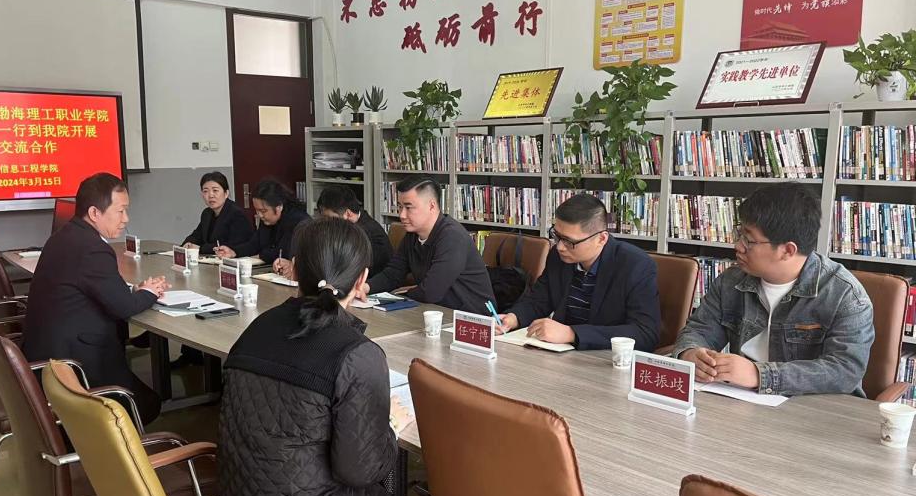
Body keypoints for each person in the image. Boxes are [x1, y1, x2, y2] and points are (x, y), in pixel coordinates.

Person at [220, 217, 432, 496]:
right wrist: (388, 428)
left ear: (295, 268)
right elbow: (361, 471)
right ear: (362, 280)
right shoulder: (356, 355)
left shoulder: (257, 328)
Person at [672, 182, 874, 397]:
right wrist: (690, 353)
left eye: (749, 240)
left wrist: (760, 376)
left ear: (787, 250)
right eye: (740, 234)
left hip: (814, 408)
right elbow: (700, 330)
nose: (738, 246)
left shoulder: (845, 296)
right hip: (742, 399)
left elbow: (844, 371)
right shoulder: (731, 281)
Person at [22, 173, 168, 423]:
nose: (126, 219)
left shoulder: (64, 237)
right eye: (120, 211)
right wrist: (150, 292)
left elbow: (101, 291)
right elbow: (123, 307)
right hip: (72, 365)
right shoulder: (93, 249)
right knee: (148, 404)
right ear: (94, 213)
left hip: (45, 355)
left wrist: (137, 291)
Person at [496, 194, 661, 351]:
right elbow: (539, 300)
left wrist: (572, 334)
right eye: (556, 236)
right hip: (560, 353)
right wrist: (513, 318)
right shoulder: (558, 257)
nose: (560, 247)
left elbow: (645, 333)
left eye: (569, 241)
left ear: (601, 239)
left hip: (605, 359)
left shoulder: (635, 265)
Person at [361, 176, 494, 314]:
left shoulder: (452, 237)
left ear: (432, 206)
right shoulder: (412, 235)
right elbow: (393, 274)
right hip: (436, 311)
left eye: (408, 207)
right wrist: (364, 287)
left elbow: (431, 292)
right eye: (400, 207)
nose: (402, 215)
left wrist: (403, 293)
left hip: (470, 316)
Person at [220, 178, 310, 276]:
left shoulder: (297, 221)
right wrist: (234, 252)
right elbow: (254, 244)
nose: (260, 215)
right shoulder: (268, 219)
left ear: (279, 207)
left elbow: (283, 252)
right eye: (257, 210)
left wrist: (261, 255)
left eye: (263, 211)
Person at [317, 184, 392, 274]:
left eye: (329, 218)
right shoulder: (355, 222)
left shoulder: (364, 234)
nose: (326, 223)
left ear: (348, 214)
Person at [181, 171, 253, 256]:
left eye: (215, 190)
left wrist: (200, 249)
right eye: (205, 191)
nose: (211, 195)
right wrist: (188, 243)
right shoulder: (207, 213)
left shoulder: (237, 214)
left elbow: (232, 245)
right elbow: (196, 236)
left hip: (235, 260)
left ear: (226, 193)